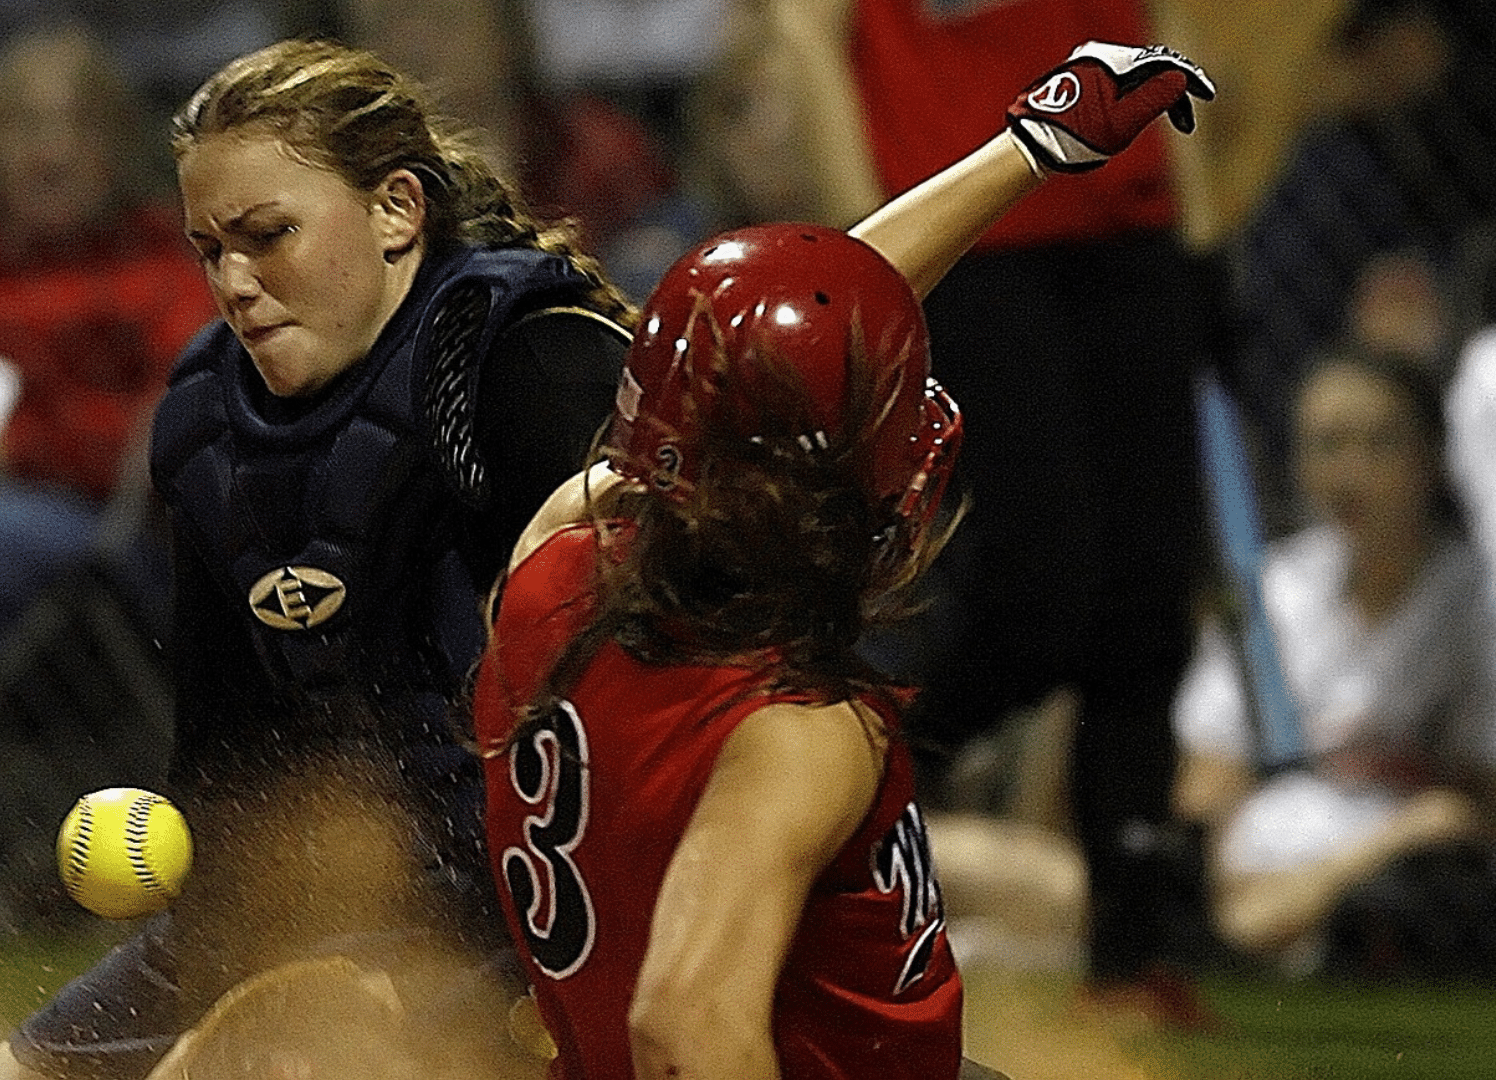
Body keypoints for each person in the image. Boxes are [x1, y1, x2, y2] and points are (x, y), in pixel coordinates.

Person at [475, 42, 1212, 1079]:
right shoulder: (797, 729)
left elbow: (763, 349)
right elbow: (685, 1028)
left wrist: (1029, 149)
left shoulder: (557, 558)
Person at [0, 38, 635, 1080]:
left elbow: (664, 695)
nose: (233, 282)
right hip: (364, 910)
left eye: (267, 235)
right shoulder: (206, 428)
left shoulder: (527, 362)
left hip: (564, 905)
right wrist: (245, 931)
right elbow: (232, 756)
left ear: (396, 210)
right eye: (207, 249)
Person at [1174, 346, 1496, 980]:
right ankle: (1221, 932)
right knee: (978, 863)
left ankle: (1219, 937)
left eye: (1379, 444)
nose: (1348, 473)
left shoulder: (1494, 608)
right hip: (1247, 878)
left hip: (1400, 896)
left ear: (1432, 459)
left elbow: (1490, 813)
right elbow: (1205, 795)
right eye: (1327, 445)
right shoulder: (1273, 594)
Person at [0, 25, 215, 770]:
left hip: (88, 532)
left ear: (122, 148)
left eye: (81, 125)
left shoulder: (169, 275)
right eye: (29, 126)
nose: (54, 153)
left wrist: (15, 449)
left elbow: (172, 429)